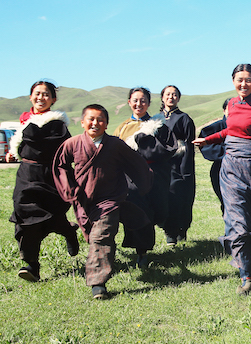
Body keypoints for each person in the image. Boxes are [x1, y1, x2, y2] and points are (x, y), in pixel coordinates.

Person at [193, 64, 251, 295]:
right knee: (237, 222)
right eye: (239, 79)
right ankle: (246, 276)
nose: (244, 84)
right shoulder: (231, 104)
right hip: (231, 170)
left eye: (248, 80)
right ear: (233, 81)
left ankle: (249, 264)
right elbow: (230, 132)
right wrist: (208, 140)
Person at [53, 104, 153, 299]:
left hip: (110, 199)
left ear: (107, 124)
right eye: (91, 119)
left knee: (101, 236)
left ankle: (97, 283)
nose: (95, 123)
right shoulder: (72, 144)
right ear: (82, 122)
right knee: (94, 236)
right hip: (83, 201)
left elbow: (135, 162)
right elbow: (60, 167)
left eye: (100, 119)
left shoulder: (115, 144)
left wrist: (144, 182)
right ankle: (123, 256)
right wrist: (70, 190)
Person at [7, 80, 79, 282]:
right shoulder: (25, 121)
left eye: (46, 94)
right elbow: (23, 147)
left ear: (53, 99)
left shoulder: (57, 124)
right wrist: (14, 154)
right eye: (37, 93)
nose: (41, 97)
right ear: (30, 96)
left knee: (52, 215)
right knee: (24, 217)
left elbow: (67, 150)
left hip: (49, 176)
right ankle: (31, 265)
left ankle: (68, 231)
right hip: (27, 175)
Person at [114, 87, 183, 267]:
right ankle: (142, 252)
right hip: (131, 179)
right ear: (129, 102)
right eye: (135, 100)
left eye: (143, 100)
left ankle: (149, 244)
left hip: (154, 176)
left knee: (157, 211)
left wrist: (145, 146)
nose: (139, 104)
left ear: (149, 103)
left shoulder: (158, 125)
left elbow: (169, 148)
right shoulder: (122, 128)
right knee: (137, 211)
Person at [160, 85, 196, 245]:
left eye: (174, 94)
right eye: (168, 94)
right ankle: (168, 231)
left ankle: (180, 230)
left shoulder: (184, 118)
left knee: (180, 199)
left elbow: (189, 146)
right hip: (161, 166)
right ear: (162, 97)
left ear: (178, 98)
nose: (171, 97)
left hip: (179, 164)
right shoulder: (155, 118)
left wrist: (185, 169)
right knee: (163, 199)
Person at [198, 98, 230, 213]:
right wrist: (226, 152)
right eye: (229, 109)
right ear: (224, 110)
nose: (232, 111)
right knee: (226, 202)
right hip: (220, 169)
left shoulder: (244, 126)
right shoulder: (216, 127)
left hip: (241, 168)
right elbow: (204, 144)